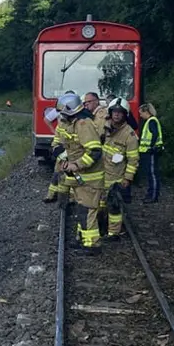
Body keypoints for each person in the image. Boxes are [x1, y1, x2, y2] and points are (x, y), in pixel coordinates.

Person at [54, 92, 105, 256]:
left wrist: (76, 164)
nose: (61, 115)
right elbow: (67, 145)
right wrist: (61, 155)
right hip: (81, 178)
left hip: (90, 178)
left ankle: (92, 245)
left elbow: (95, 151)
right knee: (82, 208)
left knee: (88, 210)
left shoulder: (84, 124)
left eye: (63, 112)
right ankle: (82, 239)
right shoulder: (71, 123)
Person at [100, 98, 139, 240]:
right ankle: (102, 227)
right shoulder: (103, 127)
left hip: (115, 177)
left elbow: (133, 159)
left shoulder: (129, 135)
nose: (116, 115)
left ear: (125, 115)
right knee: (99, 204)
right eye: (114, 112)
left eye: (120, 112)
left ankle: (114, 233)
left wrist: (128, 178)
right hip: (100, 174)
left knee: (113, 206)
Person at [138, 102, 164, 203]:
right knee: (150, 174)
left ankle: (153, 196)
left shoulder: (152, 121)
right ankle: (150, 194)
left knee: (153, 174)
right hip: (147, 152)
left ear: (146, 112)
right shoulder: (150, 121)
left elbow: (155, 134)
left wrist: (151, 146)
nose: (140, 115)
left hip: (151, 152)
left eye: (141, 113)